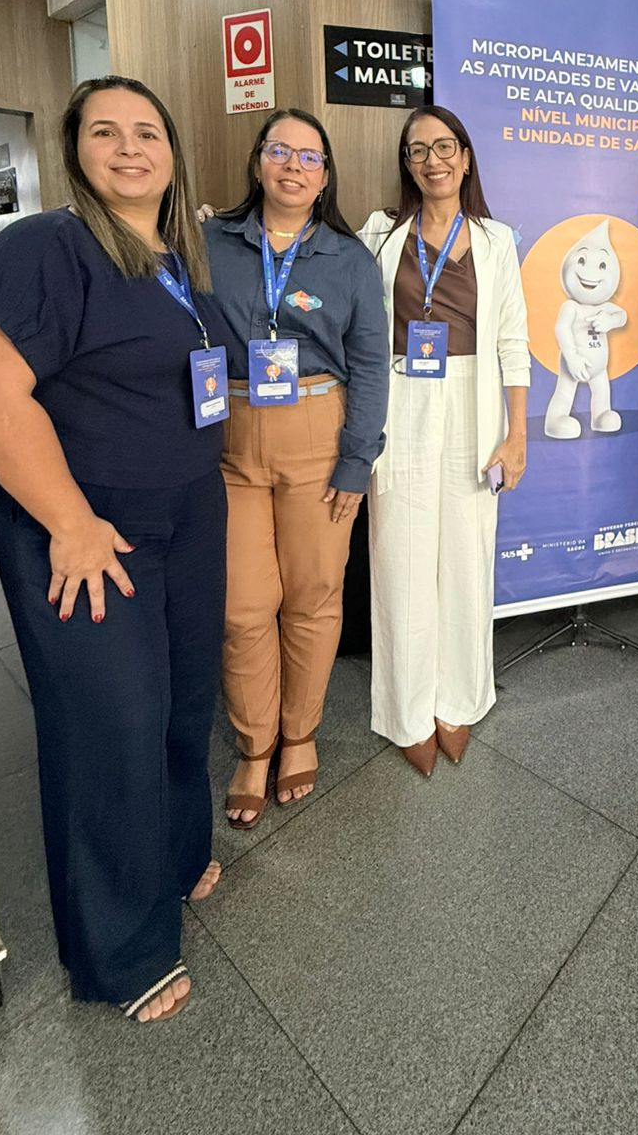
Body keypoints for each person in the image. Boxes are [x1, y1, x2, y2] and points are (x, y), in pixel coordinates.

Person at [0, 76, 229, 1023]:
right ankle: (121, 953)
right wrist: (69, 522)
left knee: (183, 701)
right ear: (75, 151)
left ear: (173, 154)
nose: (129, 148)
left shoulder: (177, 259)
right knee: (110, 727)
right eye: (106, 132)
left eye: (148, 132)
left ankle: (177, 857)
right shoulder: (45, 248)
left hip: (188, 514)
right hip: (86, 528)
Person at [204, 110, 389, 827]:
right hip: (229, 436)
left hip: (319, 433)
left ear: (325, 175)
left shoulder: (349, 259)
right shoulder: (207, 241)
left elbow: (371, 365)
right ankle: (255, 744)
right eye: (280, 151)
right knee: (242, 605)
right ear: (258, 161)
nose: (293, 166)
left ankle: (300, 733)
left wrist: (357, 461)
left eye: (310, 157)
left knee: (313, 595)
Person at [359, 105, 529, 776]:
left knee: (466, 555)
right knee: (399, 557)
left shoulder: (497, 239)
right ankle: (407, 709)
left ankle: (457, 699)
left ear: (465, 156)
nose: (432, 160)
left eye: (444, 147)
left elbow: (514, 340)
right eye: (417, 150)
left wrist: (517, 435)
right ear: (407, 164)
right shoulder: (380, 236)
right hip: (401, 400)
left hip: (474, 404)